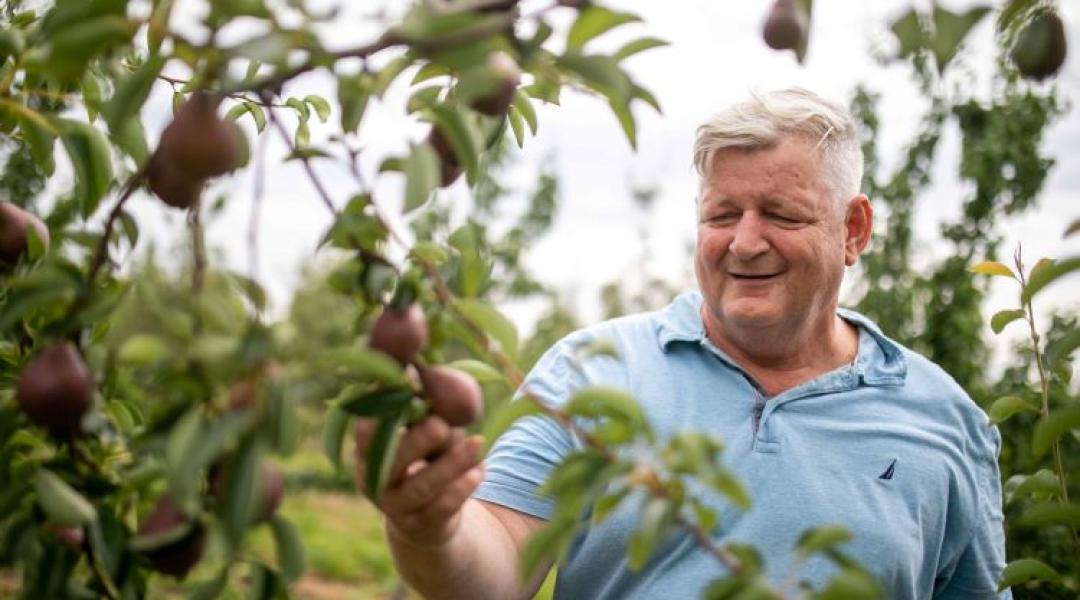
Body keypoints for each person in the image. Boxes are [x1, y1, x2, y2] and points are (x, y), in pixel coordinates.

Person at [354, 88, 1010, 599]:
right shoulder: (593, 373)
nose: (744, 242)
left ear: (854, 229)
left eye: (780, 215)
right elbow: (494, 564)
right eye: (721, 215)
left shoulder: (946, 421)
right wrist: (428, 528)